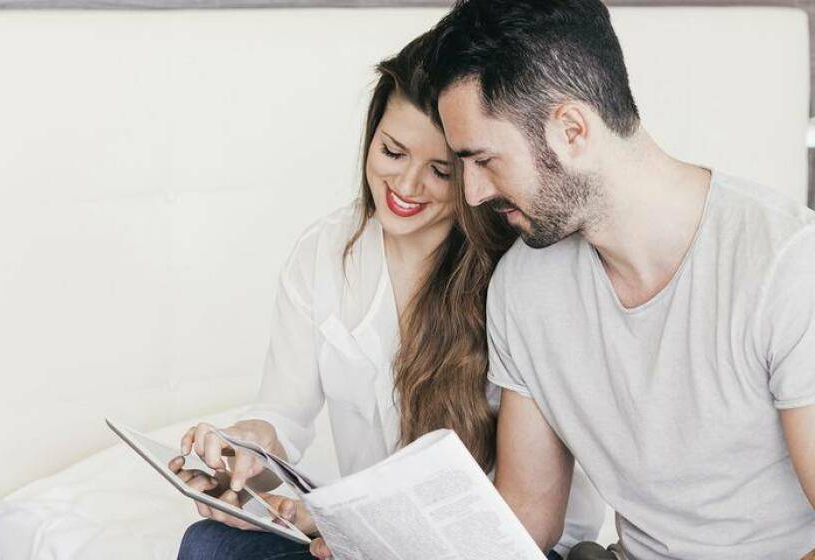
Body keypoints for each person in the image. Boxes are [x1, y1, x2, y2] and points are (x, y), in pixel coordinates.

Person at [171, 30, 605, 560]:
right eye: (392, 152)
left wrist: (333, 525)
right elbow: (283, 418)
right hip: (372, 543)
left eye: (440, 170)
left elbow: (526, 520)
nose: (406, 185)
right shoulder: (325, 253)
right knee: (208, 544)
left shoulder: (517, 277)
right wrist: (242, 452)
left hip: (495, 549)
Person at [422, 0, 815, 558]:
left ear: (572, 130)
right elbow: (528, 516)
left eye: (484, 160)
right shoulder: (525, 286)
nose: (473, 193)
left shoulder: (788, 265)